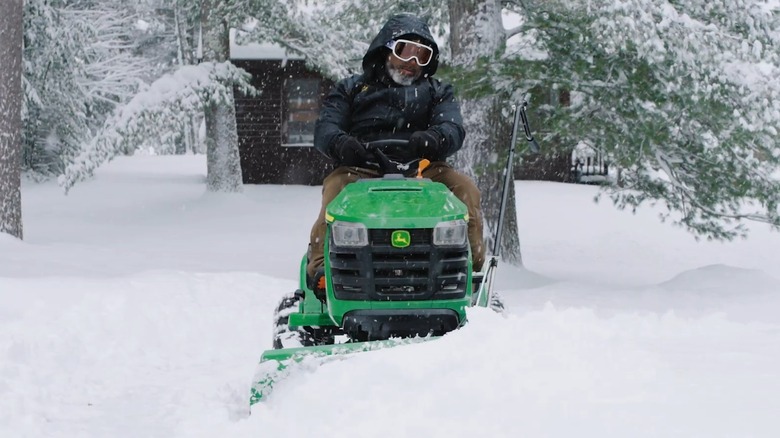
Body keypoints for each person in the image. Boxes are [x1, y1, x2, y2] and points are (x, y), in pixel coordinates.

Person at [307, 13, 485, 289]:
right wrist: (342, 144)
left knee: (465, 189)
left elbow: (452, 128)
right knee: (337, 189)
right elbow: (326, 129)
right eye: (405, 51)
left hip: (424, 169)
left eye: (421, 56)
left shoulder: (437, 92)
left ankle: (468, 269)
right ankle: (321, 269)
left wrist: (435, 138)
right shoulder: (351, 89)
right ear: (387, 48)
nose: (412, 63)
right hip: (362, 168)